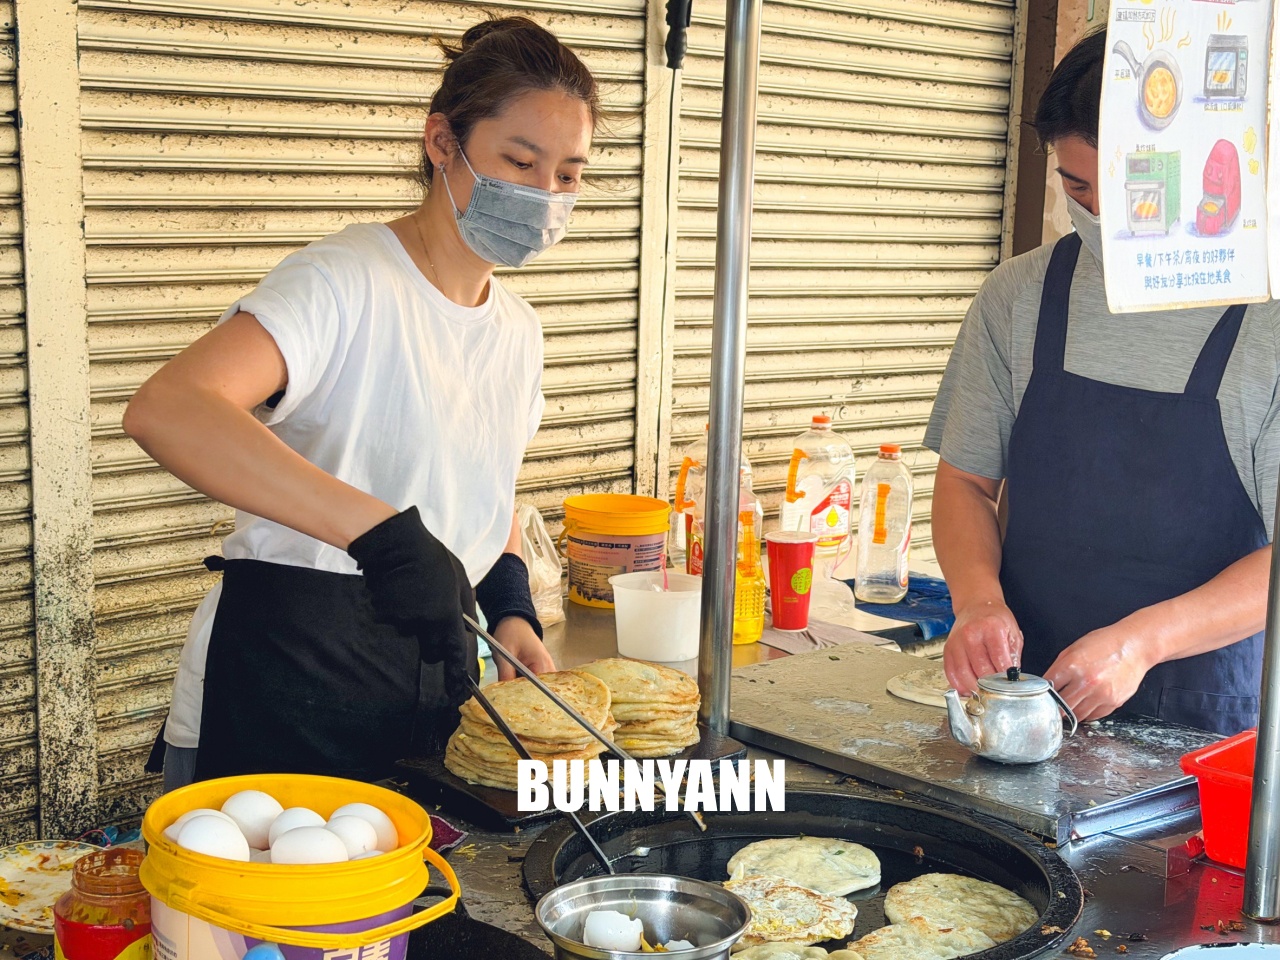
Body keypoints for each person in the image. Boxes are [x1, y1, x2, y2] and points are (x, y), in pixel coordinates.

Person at [124, 17, 595, 788]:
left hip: (432, 684)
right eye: (519, 160)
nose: (543, 195)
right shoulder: (344, 280)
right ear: (442, 142)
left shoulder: (517, 330)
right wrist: (379, 534)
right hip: (290, 672)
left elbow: (482, 497)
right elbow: (168, 408)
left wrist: (510, 608)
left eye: (569, 175)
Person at [926, 30, 1280, 735]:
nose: (1103, 218)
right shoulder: (1018, 297)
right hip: (1024, 708)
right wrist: (978, 602)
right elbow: (966, 483)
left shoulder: (1268, 320)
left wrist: (1142, 642)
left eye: (1127, 189)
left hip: (1211, 732)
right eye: (1078, 189)